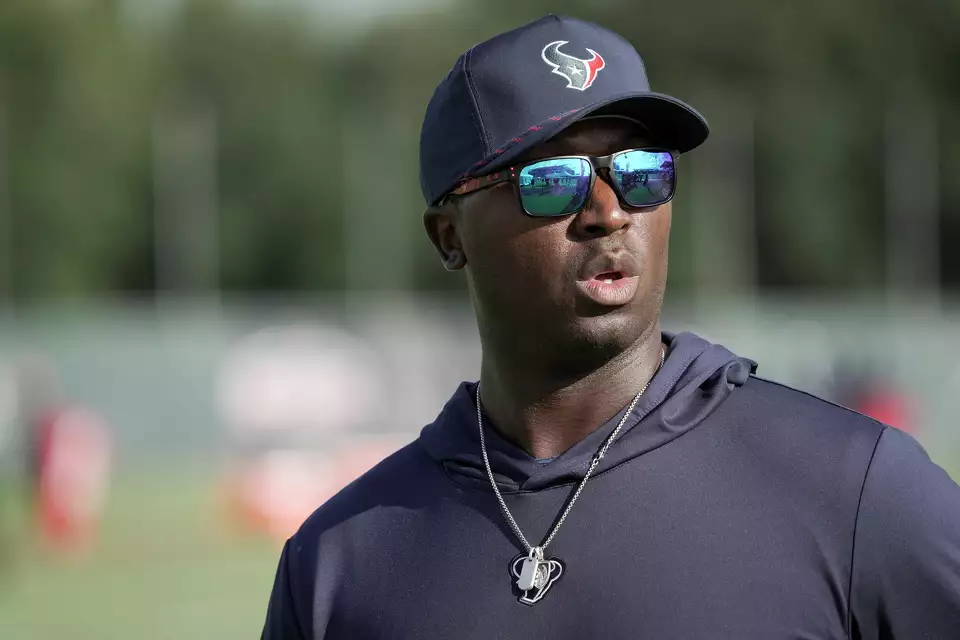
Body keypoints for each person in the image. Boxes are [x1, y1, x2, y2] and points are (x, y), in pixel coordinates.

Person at [262, 15, 960, 639]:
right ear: (450, 237)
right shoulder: (336, 561)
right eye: (553, 178)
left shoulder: (858, 491)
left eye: (640, 170)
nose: (609, 210)